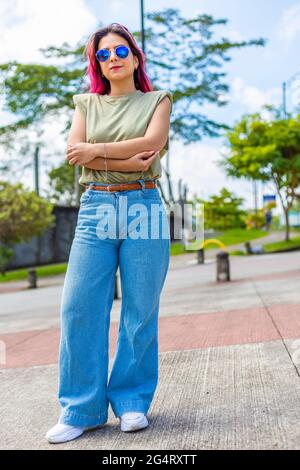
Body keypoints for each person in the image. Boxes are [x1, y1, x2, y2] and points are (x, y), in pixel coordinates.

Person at [45, 22, 173, 444]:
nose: (113, 58)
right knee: (78, 308)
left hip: (145, 205)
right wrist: (124, 156)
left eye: (120, 51)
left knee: (140, 309)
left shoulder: (158, 100)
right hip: (95, 206)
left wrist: (96, 151)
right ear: (97, 63)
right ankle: (81, 409)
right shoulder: (85, 103)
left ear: (135, 57)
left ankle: (133, 402)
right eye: (104, 54)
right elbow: (72, 152)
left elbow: (150, 146)